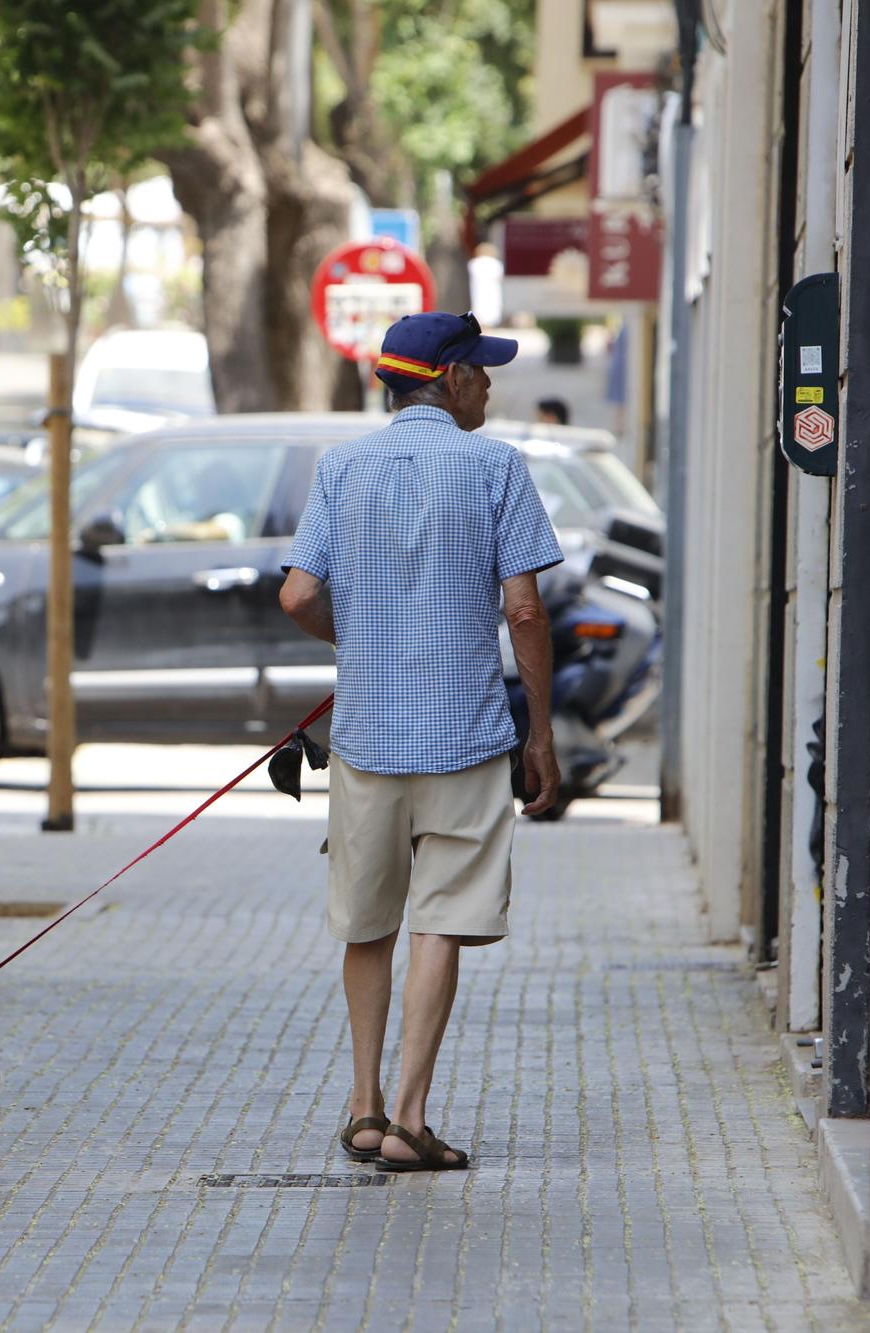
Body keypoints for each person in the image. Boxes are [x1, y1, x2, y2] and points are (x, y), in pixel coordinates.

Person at [278, 311, 563, 1172]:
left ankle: (363, 1109)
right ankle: (409, 1118)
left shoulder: (342, 465)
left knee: (367, 923)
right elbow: (523, 608)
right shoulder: (495, 466)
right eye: (481, 369)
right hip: (467, 738)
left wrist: (355, 644)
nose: (489, 384)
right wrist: (539, 732)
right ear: (448, 378)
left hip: (364, 739)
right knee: (440, 920)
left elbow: (295, 596)